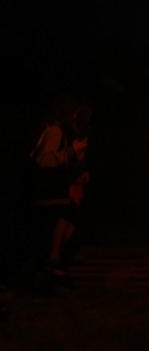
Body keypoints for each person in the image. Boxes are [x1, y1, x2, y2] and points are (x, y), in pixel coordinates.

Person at [29, 95, 91, 280]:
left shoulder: (66, 132)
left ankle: (55, 266)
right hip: (52, 191)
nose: (75, 117)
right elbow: (44, 160)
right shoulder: (55, 131)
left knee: (69, 221)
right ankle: (53, 263)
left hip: (61, 190)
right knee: (65, 219)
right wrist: (72, 152)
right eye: (74, 113)